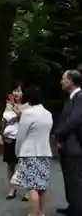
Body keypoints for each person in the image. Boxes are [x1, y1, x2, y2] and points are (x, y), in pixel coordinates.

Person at [14, 85, 53, 216]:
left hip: (29, 152)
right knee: (42, 186)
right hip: (45, 152)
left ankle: (32, 214)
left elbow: (21, 136)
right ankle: (41, 213)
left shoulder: (28, 113)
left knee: (32, 187)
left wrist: (17, 151)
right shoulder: (48, 114)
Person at [55, 69, 82, 215]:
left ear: (71, 81)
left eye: (64, 78)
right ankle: (72, 205)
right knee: (68, 177)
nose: (61, 81)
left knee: (75, 178)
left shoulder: (79, 97)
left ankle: (78, 209)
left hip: (75, 145)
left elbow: (74, 120)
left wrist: (58, 133)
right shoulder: (70, 98)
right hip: (67, 144)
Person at [2, 83, 29, 200]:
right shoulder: (8, 105)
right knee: (10, 164)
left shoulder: (28, 105)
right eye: (14, 90)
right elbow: (5, 118)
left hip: (23, 139)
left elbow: (25, 118)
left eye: (19, 91)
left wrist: (15, 106)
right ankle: (12, 188)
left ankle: (30, 190)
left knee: (26, 165)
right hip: (10, 138)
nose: (15, 93)